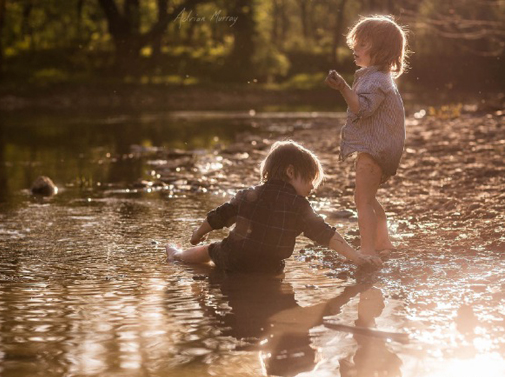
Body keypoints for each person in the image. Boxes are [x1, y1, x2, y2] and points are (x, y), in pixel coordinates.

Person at [166, 140, 381, 273]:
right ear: (290, 172)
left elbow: (218, 217)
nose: (312, 188)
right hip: (269, 268)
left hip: (234, 259)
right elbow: (327, 235)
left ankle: (177, 256)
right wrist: (358, 259)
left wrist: (197, 233)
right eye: (309, 180)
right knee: (274, 276)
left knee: (210, 250)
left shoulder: (248, 195)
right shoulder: (299, 206)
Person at [325, 15, 409, 257]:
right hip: (380, 148)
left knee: (362, 201)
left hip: (375, 151)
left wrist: (343, 87)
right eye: (356, 43)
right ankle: (383, 241)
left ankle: (368, 251)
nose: (355, 49)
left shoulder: (376, 80)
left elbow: (361, 108)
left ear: (381, 51)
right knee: (368, 198)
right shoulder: (378, 77)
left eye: (363, 44)